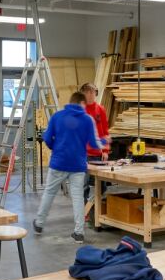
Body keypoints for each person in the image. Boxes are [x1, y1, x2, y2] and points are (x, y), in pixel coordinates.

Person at [33, 91, 101, 243]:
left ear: (71, 102)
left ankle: (39, 224)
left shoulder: (57, 116)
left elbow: (47, 138)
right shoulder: (87, 119)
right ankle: (79, 233)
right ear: (82, 103)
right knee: (77, 198)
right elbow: (93, 143)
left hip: (59, 163)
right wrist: (104, 141)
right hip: (78, 165)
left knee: (49, 193)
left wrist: (55, 148)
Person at [80, 82, 111, 217]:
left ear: (96, 94)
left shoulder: (100, 110)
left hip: (98, 154)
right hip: (84, 155)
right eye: (87, 92)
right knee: (83, 185)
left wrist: (105, 150)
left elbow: (105, 131)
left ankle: (91, 206)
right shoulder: (80, 111)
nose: (90, 95)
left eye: (92, 92)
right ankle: (83, 212)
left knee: (102, 186)